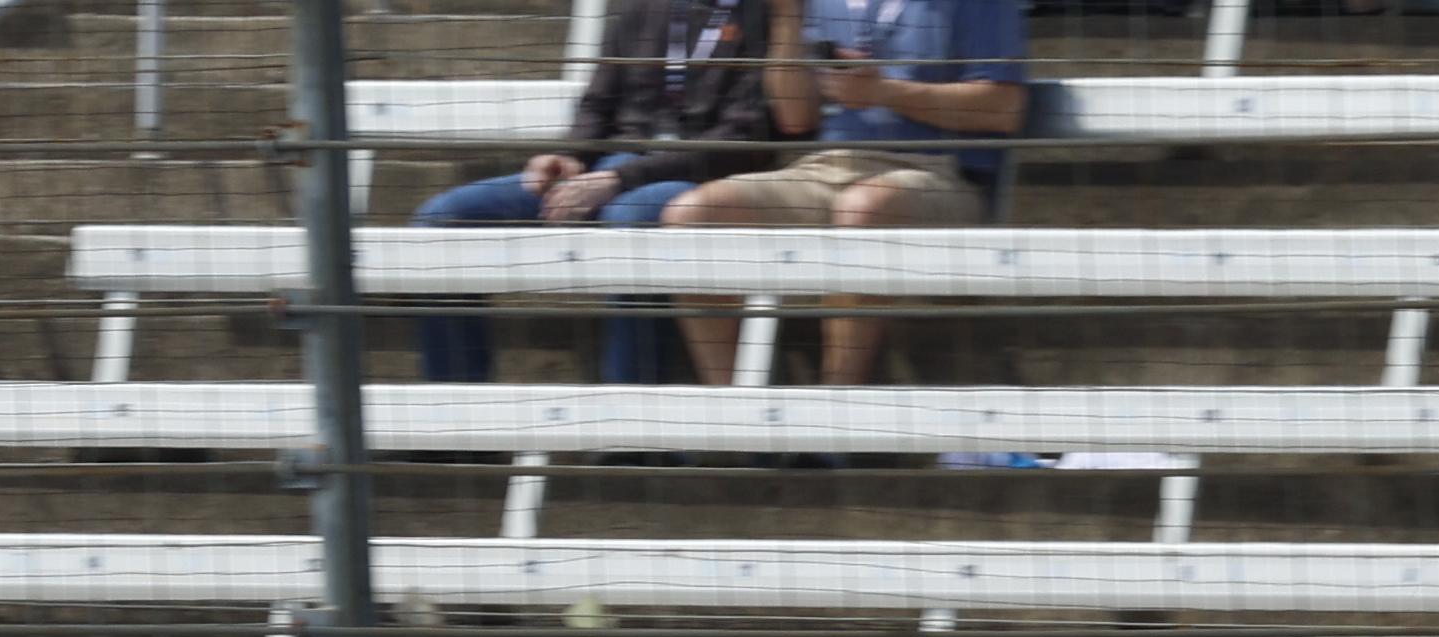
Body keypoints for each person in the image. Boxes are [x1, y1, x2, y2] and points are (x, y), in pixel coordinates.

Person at [660, 0, 1022, 391]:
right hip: (826, 166)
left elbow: (1004, 108)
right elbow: (794, 116)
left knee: (863, 208)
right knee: (692, 216)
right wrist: (787, 15)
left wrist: (886, 92)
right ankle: (736, 428)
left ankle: (832, 424)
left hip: (939, 171)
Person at [410, 0, 774, 387]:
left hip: (691, 176)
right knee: (442, 222)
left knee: (628, 224)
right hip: (606, 169)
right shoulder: (644, 10)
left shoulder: (764, 15)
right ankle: (461, 431)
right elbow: (597, 103)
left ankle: (635, 437)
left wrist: (621, 177)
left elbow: (739, 141)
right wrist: (568, 156)